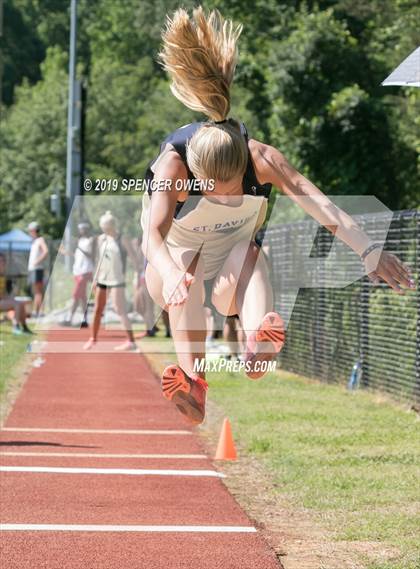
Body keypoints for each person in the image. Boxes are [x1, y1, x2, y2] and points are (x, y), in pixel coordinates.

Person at [141, 7, 415, 425]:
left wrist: (368, 249)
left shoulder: (262, 159)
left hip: (231, 275)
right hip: (172, 276)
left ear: (244, 166)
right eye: (209, 187)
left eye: (228, 186)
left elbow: (320, 204)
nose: (219, 196)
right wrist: (169, 270)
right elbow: (151, 236)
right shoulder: (171, 167)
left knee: (250, 251)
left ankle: (256, 344)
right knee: (187, 263)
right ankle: (194, 383)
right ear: (193, 172)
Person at [84, 211, 138, 352]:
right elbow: (99, 261)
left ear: (111, 225)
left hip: (117, 280)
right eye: (103, 227)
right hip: (102, 279)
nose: (104, 229)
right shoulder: (101, 239)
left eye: (106, 226)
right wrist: (95, 279)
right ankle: (93, 339)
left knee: (120, 310)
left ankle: (131, 341)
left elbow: (134, 259)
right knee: (97, 309)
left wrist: (136, 275)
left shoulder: (122, 239)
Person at [60, 222, 96, 328]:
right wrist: (65, 252)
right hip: (77, 270)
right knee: (82, 297)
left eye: (83, 229)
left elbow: (91, 255)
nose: (81, 231)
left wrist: (79, 248)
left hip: (86, 271)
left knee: (76, 295)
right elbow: (77, 255)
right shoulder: (80, 241)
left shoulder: (91, 240)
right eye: (80, 229)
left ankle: (69, 318)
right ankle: (84, 319)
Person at [0, 253, 32, 335]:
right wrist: (9, 298)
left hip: (2, 301)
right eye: (1, 261)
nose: (3, 263)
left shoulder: (2, 276)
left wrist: (10, 297)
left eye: (4, 261)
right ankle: (15, 327)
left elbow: (3, 294)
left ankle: (24, 327)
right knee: (17, 304)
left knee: (20, 303)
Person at [27, 221, 49, 318]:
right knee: (36, 291)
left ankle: (40, 311)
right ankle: (36, 311)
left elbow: (46, 251)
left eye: (30, 230)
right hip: (33, 269)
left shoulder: (40, 240)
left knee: (38, 291)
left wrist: (37, 261)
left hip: (37, 269)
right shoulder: (34, 241)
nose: (29, 232)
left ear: (34, 230)